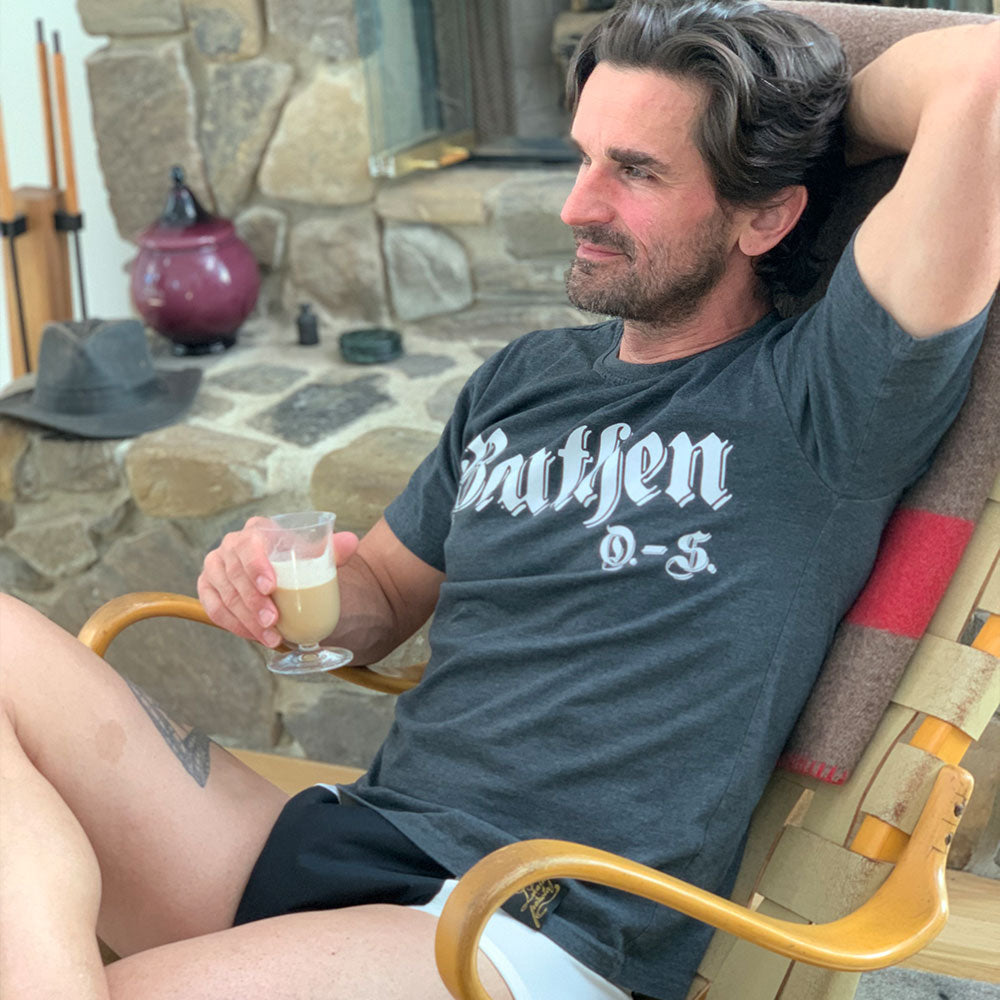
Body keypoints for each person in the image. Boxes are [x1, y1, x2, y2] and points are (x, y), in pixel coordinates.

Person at [2, 2, 998, 998]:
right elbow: (381, 595)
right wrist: (284, 589)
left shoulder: (827, 395)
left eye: (636, 170)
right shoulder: (524, 378)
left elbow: (983, 78)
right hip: (358, 842)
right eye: (584, 156)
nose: (576, 205)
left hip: (536, 923)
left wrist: (810, 115)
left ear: (765, 215)